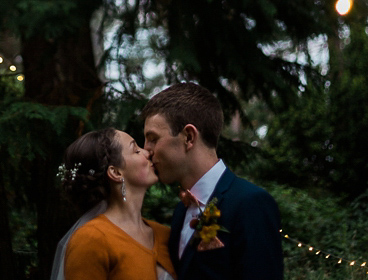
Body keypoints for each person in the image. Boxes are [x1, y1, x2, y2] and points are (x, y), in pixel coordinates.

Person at [141, 83, 283, 280]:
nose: (146, 150)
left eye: (153, 139)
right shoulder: (180, 211)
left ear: (189, 137)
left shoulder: (250, 203)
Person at [52, 128, 176, 280]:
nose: (147, 152)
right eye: (136, 150)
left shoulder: (165, 235)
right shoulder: (92, 239)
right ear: (116, 173)